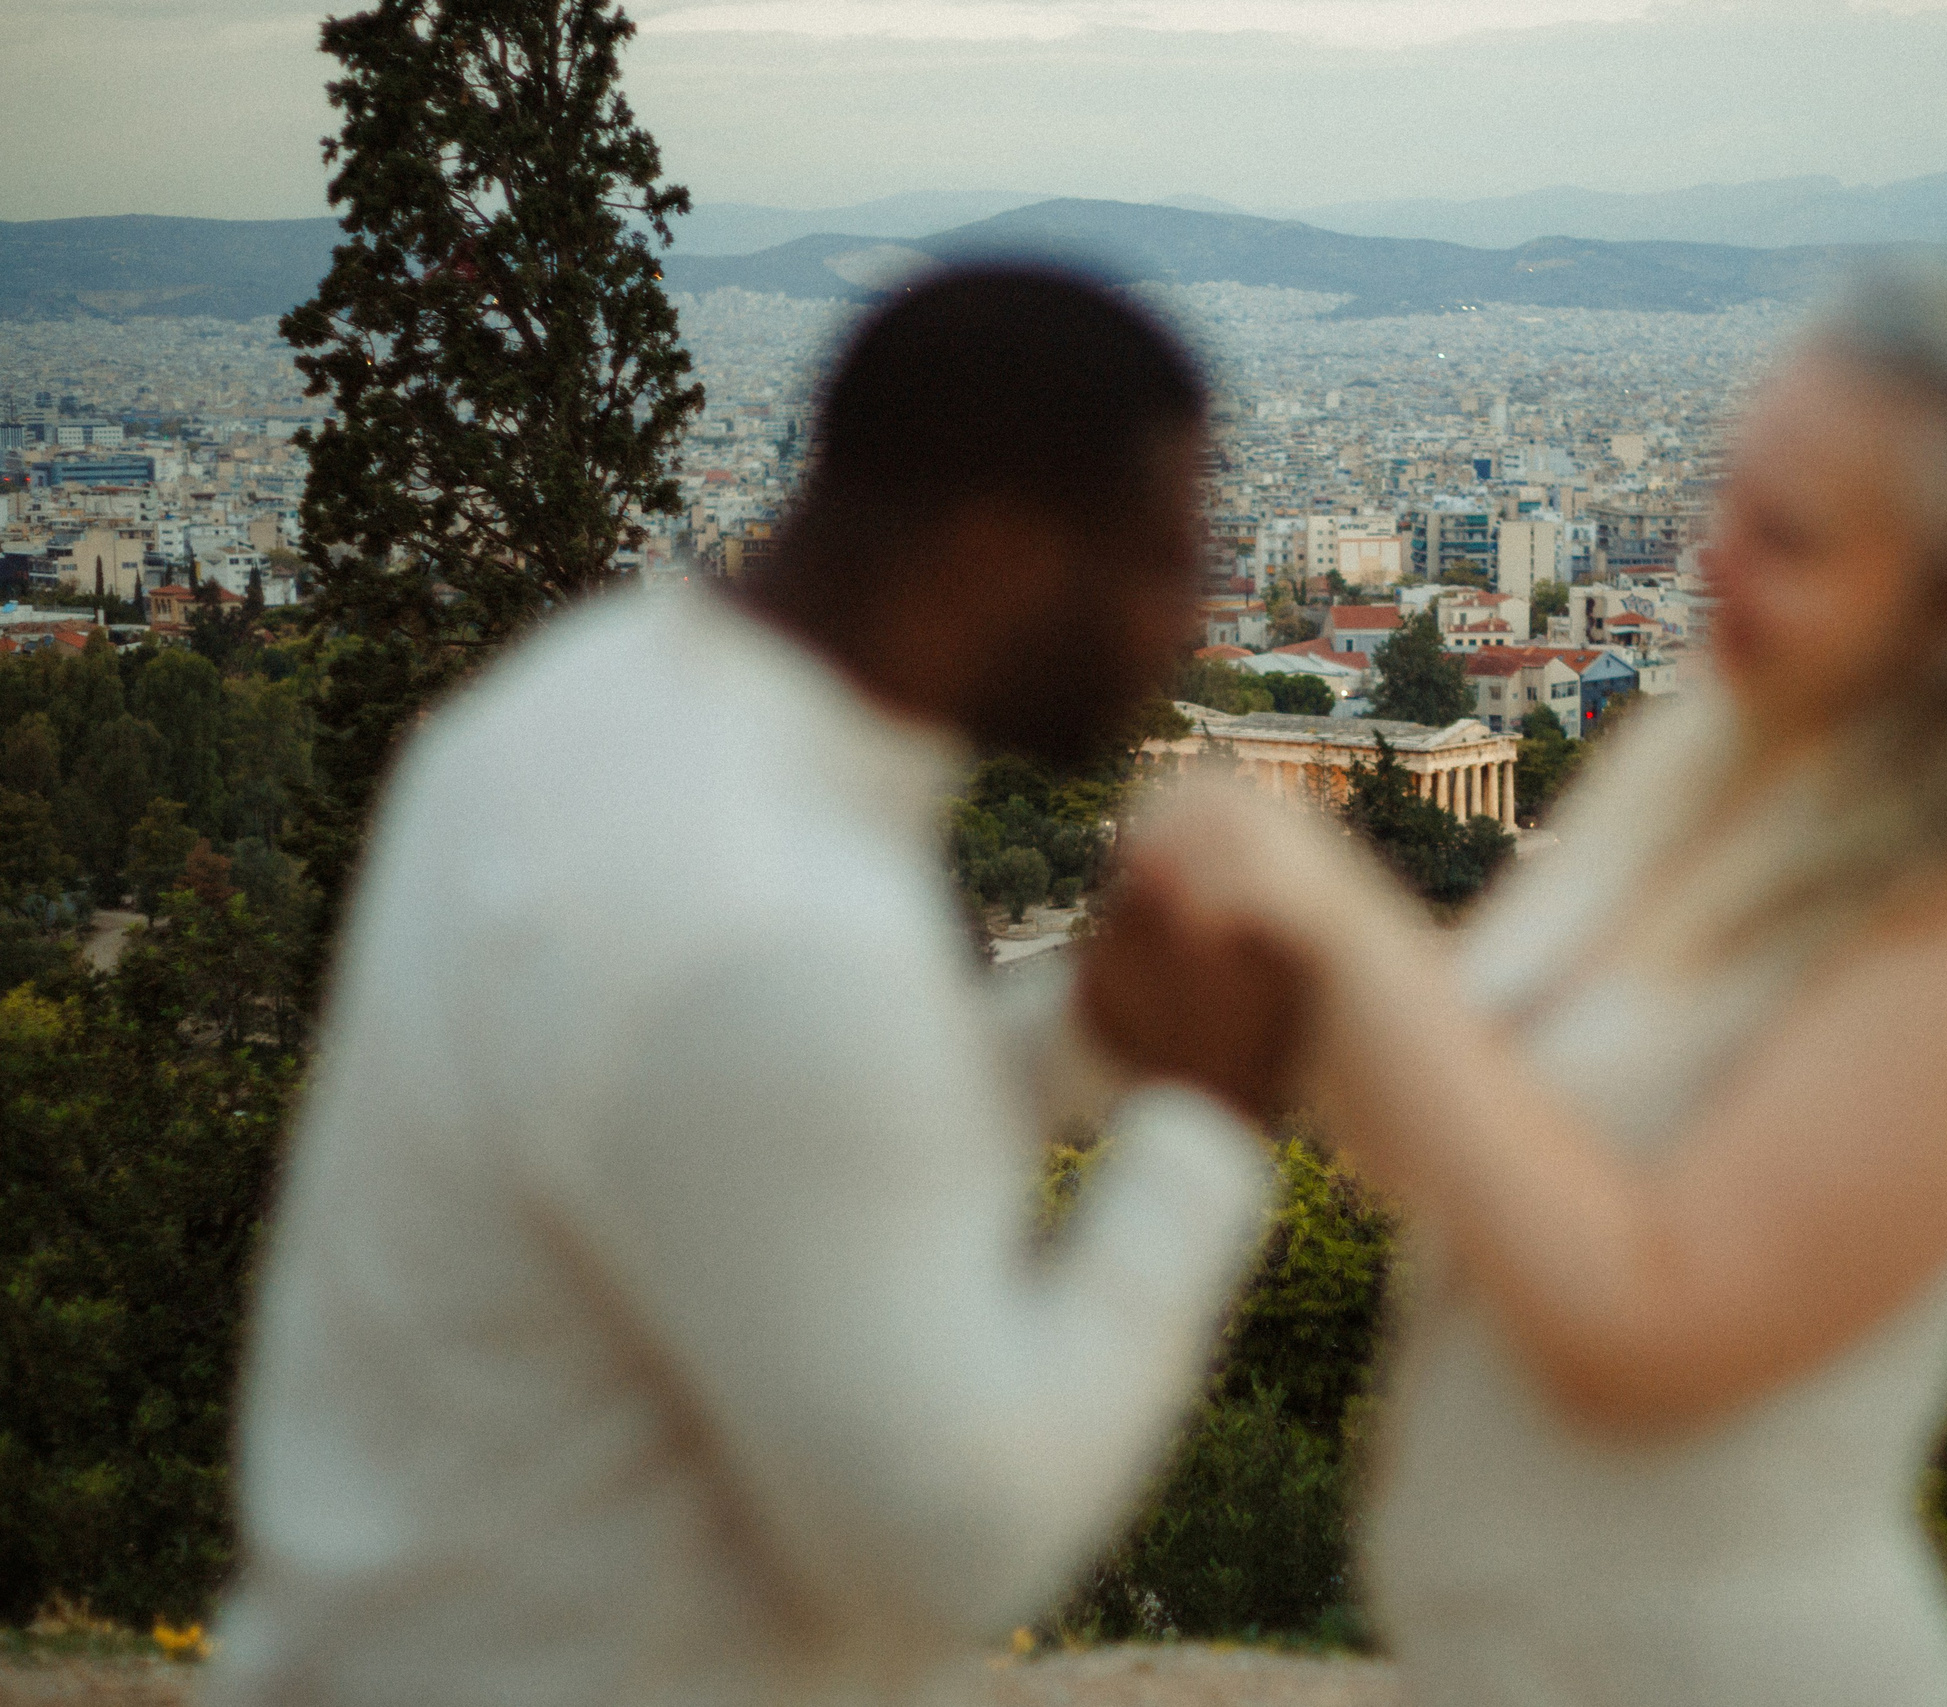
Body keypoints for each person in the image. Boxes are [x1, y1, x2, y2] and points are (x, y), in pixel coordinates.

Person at [1090, 261, 1947, 1706]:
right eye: (1729, 500)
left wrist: (1330, 911)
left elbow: (1653, 1326)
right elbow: (1451, 1115)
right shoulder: (1720, 757)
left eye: (1790, 537)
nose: (1714, 565)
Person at [207, 266, 1304, 1707]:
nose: (1190, 618)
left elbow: (741, 1140)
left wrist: (1072, 1039)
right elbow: (961, 1540)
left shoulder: (576, 705)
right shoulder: (776, 927)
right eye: (1163, 561)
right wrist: (1204, 1128)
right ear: (989, 558)